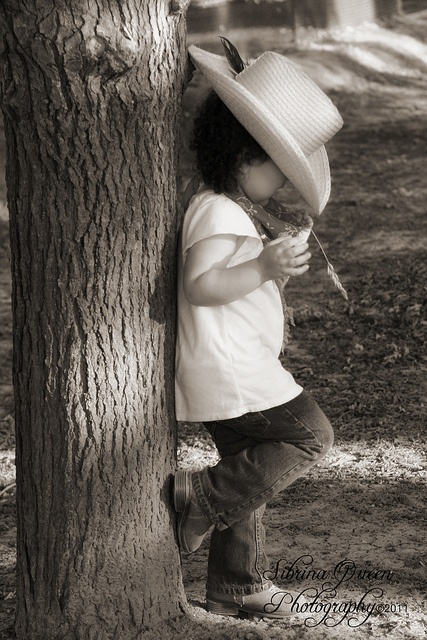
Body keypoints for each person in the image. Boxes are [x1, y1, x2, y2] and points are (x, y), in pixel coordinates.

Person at [174, 41, 343, 619]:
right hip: (232, 369)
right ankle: (198, 497)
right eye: (278, 168)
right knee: (308, 436)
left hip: (234, 366)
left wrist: (271, 273)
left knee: (250, 473)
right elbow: (202, 285)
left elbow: (231, 283)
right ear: (247, 156)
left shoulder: (223, 207)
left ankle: (235, 586)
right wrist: (264, 267)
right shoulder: (217, 209)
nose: (283, 182)